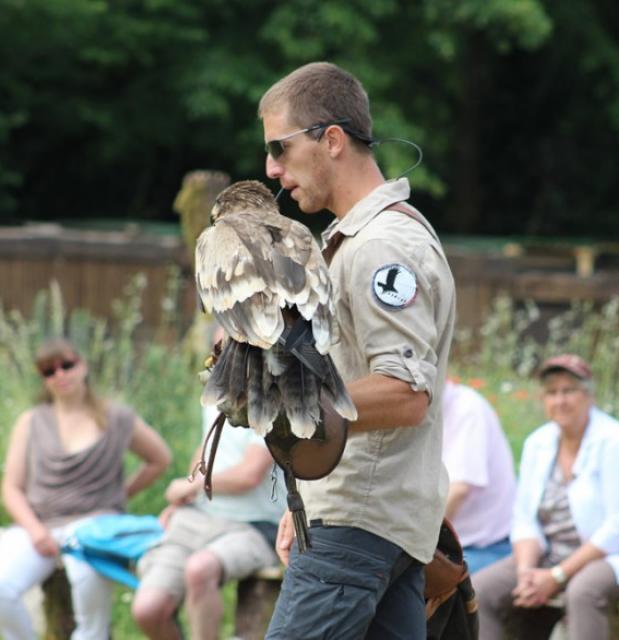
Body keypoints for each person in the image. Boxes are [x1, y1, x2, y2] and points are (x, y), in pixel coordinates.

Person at [259, 61, 456, 639]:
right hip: (375, 521)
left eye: (280, 148)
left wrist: (290, 408)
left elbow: (405, 393)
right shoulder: (359, 238)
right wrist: (307, 500)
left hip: (356, 529)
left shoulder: (382, 247)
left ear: (333, 140)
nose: (272, 169)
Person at [0, 337, 172, 640]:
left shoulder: (116, 417)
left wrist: (119, 495)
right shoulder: (31, 421)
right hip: (40, 526)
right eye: (49, 371)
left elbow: (159, 459)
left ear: (83, 365)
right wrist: (35, 530)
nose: (60, 375)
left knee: (90, 603)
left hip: (94, 527)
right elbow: (11, 488)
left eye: (67, 365)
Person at [473, 354, 619, 640]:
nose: (560, 400)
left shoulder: (616, 442)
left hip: (612, 555)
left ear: (589, 396)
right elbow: (524, 518)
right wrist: (526, 572)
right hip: (549, 555)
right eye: (552, 392)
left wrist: (558, 576)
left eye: (569, 391)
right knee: (481, 589)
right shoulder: (538, 443)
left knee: (583, 591)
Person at [131, 402, 286, 640]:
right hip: (197, 516)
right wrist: (183, 499)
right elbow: (207, 448)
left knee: (199, 569)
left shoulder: (272, 398)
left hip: (254, 526)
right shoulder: (216, 390)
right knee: (148, 610)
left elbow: (249, 474)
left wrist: (191, 485)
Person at [442, 378, 516, 574]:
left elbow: (459, 490)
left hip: (484, 548)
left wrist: (416, 547)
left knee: (411, 587)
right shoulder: (417, 413)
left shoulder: (467, 409)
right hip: (455, 548)